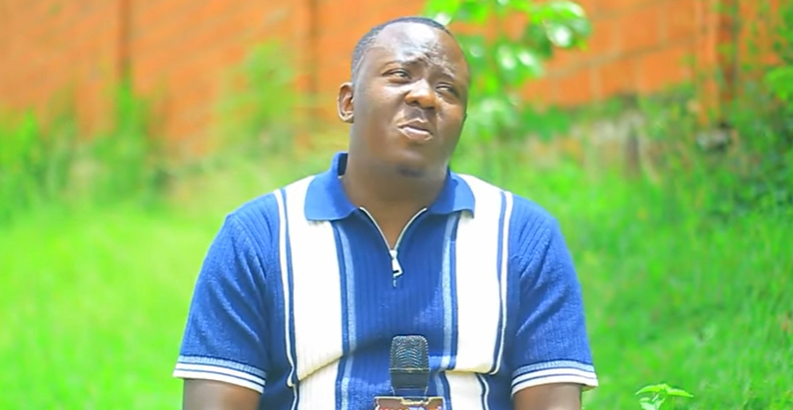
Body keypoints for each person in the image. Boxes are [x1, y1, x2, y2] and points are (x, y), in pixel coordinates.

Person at [173, 16, 598, 410]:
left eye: (448, 89)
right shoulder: (260, 237)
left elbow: (552, 400)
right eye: (400, 75)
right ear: (348, 102)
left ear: (462, 120)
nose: (425, 96)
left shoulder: (521, 236)